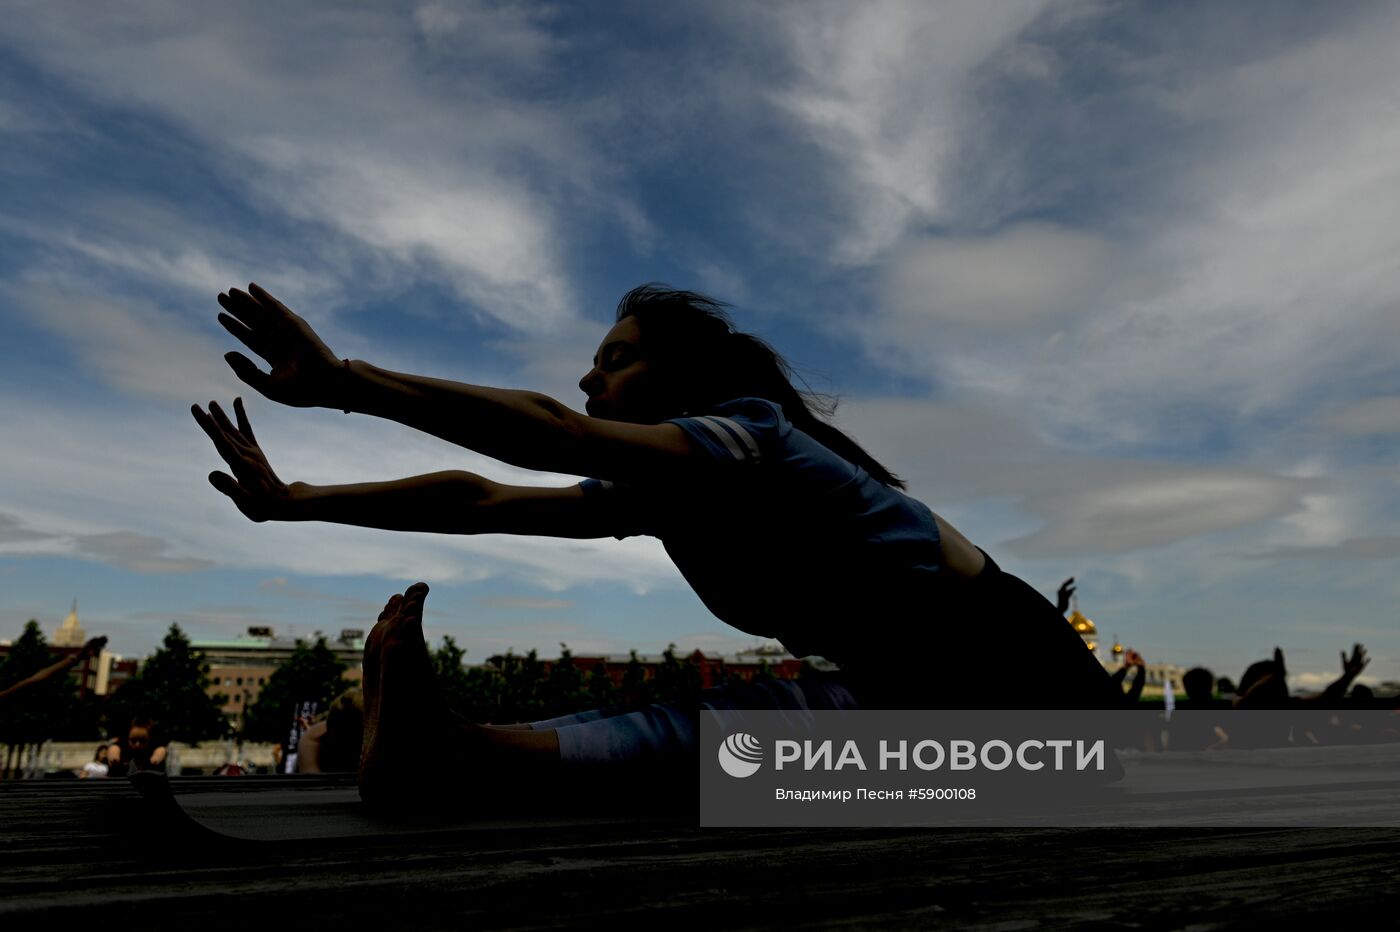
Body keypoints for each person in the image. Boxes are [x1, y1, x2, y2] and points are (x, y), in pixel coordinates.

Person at [193, 283, 1123, 802]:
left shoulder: (747, 439)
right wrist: (295, 501)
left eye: (618, 359)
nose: (591, 379)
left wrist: (349, 381)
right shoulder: (666, 488)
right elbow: (479, 498)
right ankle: (455, 747)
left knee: (754, 729)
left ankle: (460, 751)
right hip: (924, 703)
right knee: (742, 717)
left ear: (687, 378)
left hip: (1039, 713)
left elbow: (551, 430)